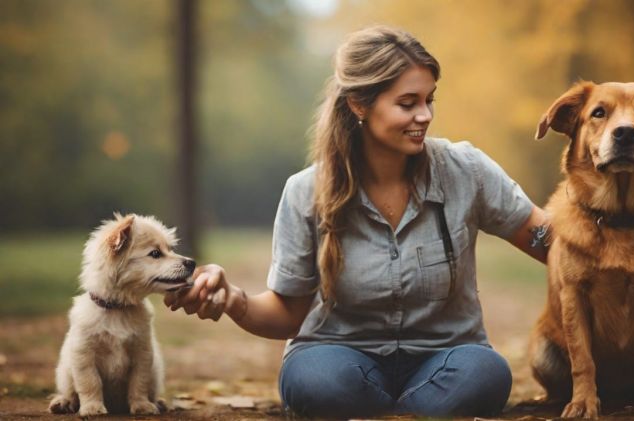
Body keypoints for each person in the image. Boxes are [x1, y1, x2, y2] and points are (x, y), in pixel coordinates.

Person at [165, 25, 549, 419]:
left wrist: (604, 243)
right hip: (338, 358)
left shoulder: (466, 171)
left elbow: (548, 238)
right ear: (359, 105)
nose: (425, 115)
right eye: (407, 103)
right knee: (316, 382)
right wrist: (233, 300)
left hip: (446, 359)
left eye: (429, 100)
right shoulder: (305, 191)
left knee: (486, 373)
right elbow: (288, 314)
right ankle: (417, 413)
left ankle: (387, 414)